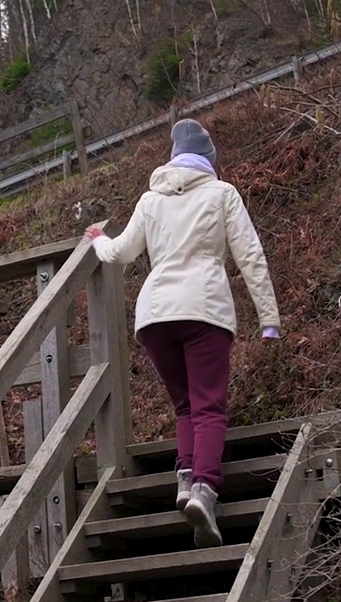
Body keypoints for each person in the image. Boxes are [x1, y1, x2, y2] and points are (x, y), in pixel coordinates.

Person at [84, 118, 281, 549]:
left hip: (154, 317)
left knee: (185, 406)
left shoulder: (151, 201)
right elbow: (251, 256)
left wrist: (97, 238)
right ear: (209, 160)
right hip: (204, 309)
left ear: (173, 159)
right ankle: (205, 491)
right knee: (209, 406)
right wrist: (269, 319)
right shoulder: (222, 194)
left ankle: (185, 478)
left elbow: (118, 253)